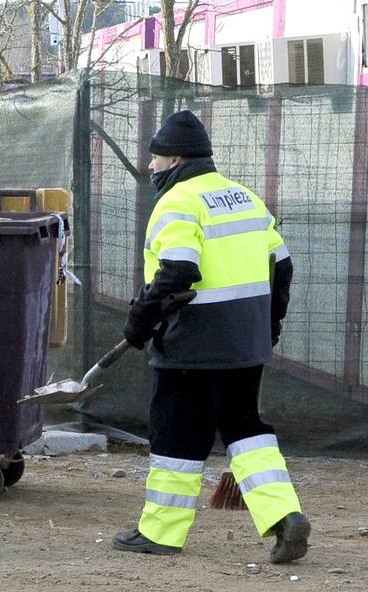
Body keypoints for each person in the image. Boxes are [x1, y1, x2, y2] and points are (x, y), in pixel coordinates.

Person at [113, 109, 310, 564]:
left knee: (176, 437)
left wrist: (140, 319)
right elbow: (282, 267)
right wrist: (269, 327)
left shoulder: (179, 202)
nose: (151, 167)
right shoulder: (244, 197)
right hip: (245, 342)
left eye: (156, 159)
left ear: (176, 158)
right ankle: (285, 517)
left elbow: (180, 270)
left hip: (191, 344)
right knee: (246, 430)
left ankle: (160, 533)